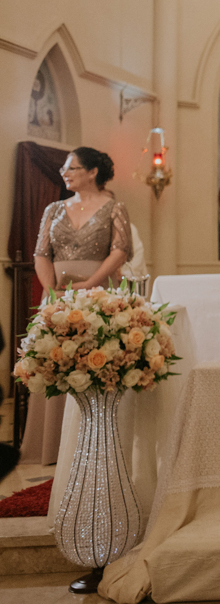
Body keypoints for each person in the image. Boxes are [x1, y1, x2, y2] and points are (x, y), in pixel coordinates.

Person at [26, 147, 132, 464]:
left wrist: (90, 283)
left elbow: (120, 251)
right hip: (57, 293)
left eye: (71, 167)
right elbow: (41, 254)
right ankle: (50, 446)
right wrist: (51, 291)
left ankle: (94, 443)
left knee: (94, 360)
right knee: (55, 357)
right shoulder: (53, 209)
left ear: (92, 172)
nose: (64, 173)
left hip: (97, 292)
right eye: (64, 168)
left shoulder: (115, 207)